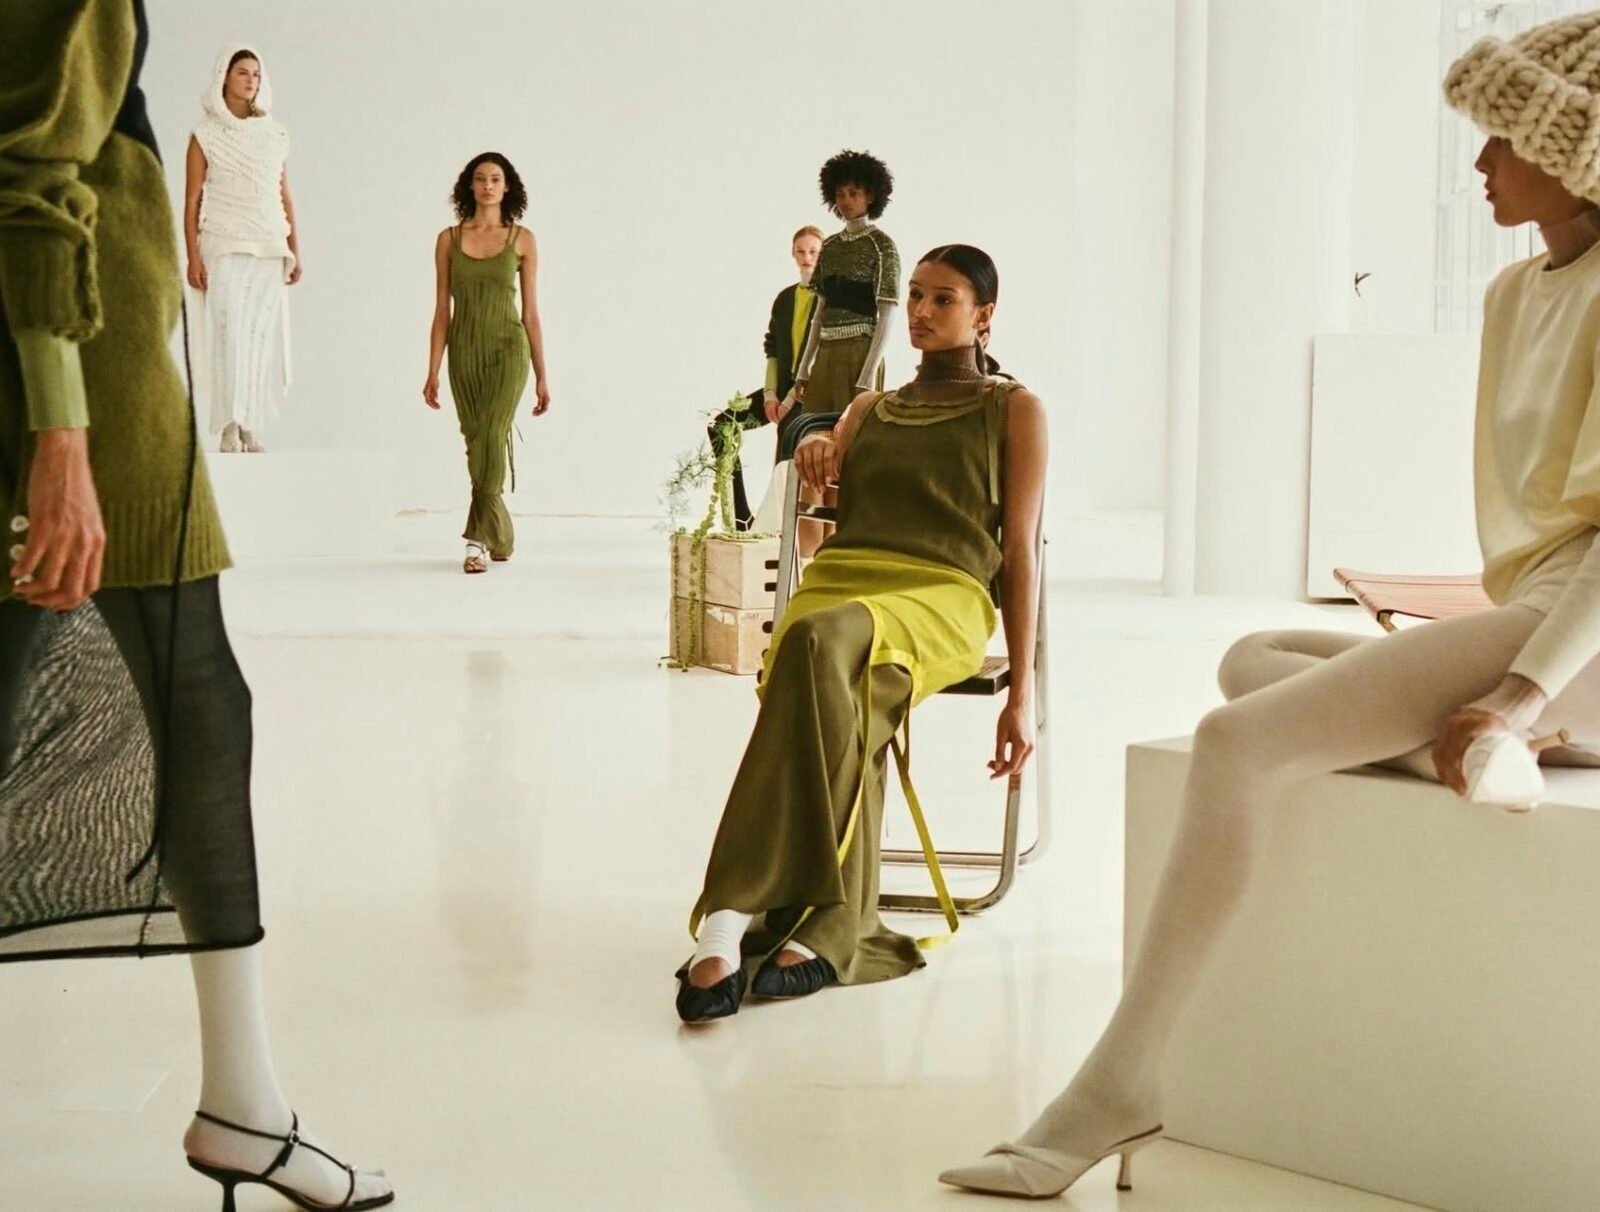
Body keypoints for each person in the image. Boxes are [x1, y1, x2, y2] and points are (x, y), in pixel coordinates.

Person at [940, 11, 1600, 1198]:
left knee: (1236, 740)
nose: (1479, 160)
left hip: (1580, 638)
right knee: (1255, 655)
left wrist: (1514, 692)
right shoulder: (1515, 293)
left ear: (1573, 149)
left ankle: (1119, 1082)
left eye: (1504, 136)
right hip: (1541, 615)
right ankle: (1475, 755)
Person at [0, 4, 391, 1208]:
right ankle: (242, 1105)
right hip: (86, 377)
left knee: (183, 702)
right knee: (198, 705)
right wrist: (62, 438)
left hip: (87, 365)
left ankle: (243, 1099)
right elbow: (29, 172)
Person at [675, 244, 1047, 1023]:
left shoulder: (1014, 410)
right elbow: (818, 526)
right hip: (846, 579)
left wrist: (1024, 692)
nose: (921, 311)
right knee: (840, 685)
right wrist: (816, 450)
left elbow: (1019, 551)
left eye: (943, 299)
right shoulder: (867, 409)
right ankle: (834, 926)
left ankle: (726, 917)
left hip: (940, 594)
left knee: (816, 642)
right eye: (915, 295)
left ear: (984, 315)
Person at [423, 152, 550, 574]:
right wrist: (432, 369)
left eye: (496, 179)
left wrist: (542, 375)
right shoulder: (448, 239)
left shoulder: (522, 240)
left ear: (507, 186)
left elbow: (531, 313)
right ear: (470, 186)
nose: (488, 186)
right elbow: (441, 311)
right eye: (480, 179)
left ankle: (475, 541)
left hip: (508, 349)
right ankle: (503, 534)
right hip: (464, 352)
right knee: (477, 441)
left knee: (494, 434)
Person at [183, 44, 299, 454]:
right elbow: (192, 199)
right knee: (228, 331)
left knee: (258, 336)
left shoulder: (274, 133)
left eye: (256, 74)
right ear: (224, 77)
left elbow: (283, 193)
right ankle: (228, 424)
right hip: (223, 240)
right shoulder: (205, 134)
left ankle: (250, 422)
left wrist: (294, 247)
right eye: (242, 73)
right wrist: (193, 255)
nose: (251, 80)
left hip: (270, 242)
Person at [706, 225, 822, 531]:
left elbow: (819, 355)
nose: (807, 257)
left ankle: (777, 530)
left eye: (813, 251)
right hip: (779, 390)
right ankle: (742, 516)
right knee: (722, 426)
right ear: (792, 254)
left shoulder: (827, 300)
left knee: (785, 444)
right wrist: (770, 394)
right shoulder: (785, 299)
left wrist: (789, 400)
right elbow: (772, 349)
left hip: (806, 394)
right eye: (801, 251)